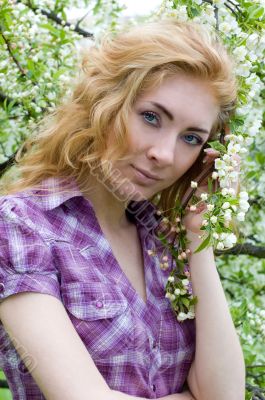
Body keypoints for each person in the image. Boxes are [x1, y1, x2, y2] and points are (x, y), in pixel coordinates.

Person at [0, 19, 245, 400]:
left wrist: (200, 243)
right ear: (104, 103)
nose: (164, 154)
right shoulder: (21, 225)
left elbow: (225, 394)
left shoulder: (165, 243)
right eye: (151, 117)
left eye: (191, 138)